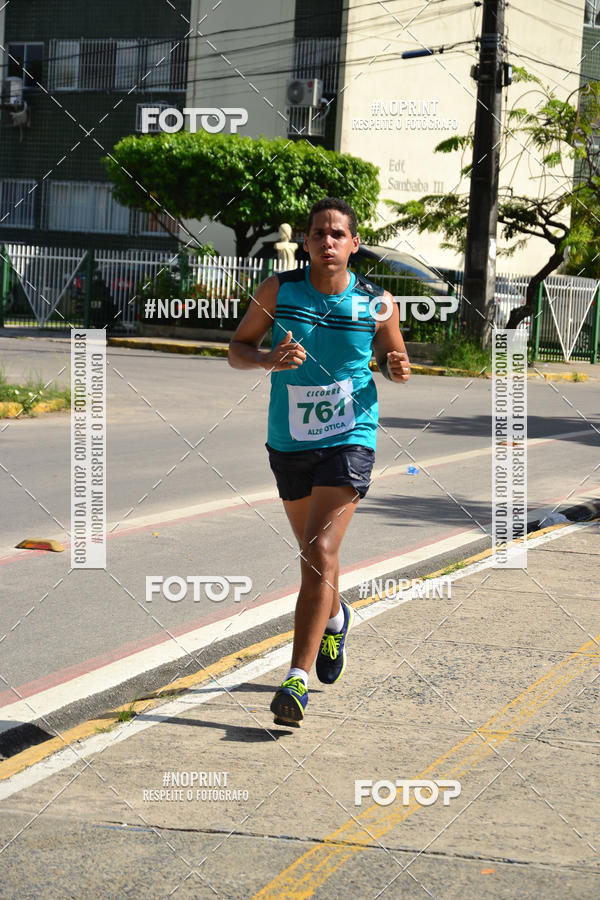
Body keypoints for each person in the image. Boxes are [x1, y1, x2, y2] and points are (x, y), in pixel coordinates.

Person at [228, 197, 410, 726]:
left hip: (351, 435)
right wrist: (267, 358)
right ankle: (334, 621)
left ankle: (295, 679)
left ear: (354, 244)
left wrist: (396, 367)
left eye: (337, 234)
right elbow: (238, 349)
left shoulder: (377, 302)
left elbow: (392, 360)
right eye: (318, 234)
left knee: (319, 548)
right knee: (314, 556)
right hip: (289, 440)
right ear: (306, 242)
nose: (327, 241)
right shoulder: (278, 291)